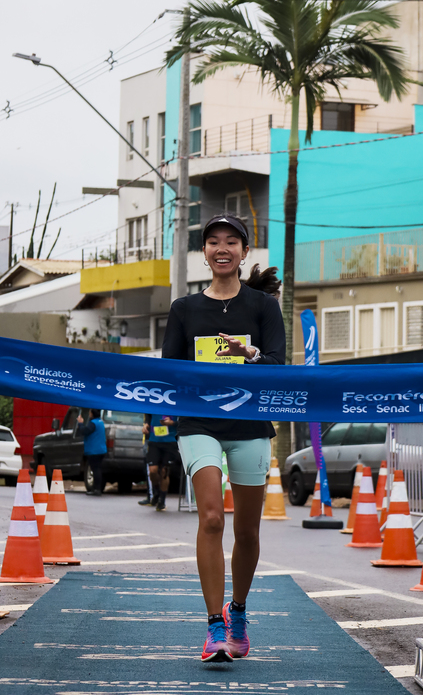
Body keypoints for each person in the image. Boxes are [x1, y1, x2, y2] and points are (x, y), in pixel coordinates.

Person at [162, 214, 285, 663]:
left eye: (231, 241)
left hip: (249, 426)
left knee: (247, 530)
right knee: (212, 517)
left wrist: (247, 354)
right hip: (199, 425)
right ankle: (215, 626)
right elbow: (169, 374)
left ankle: (238, 611)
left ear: (244, 251)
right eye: (213, 242)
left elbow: (278, 367)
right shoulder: (184, 309)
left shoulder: (262, 306)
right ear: (204, 253)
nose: (222, 248)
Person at [141, 413, 179, 511]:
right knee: (153, 471)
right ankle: (156, 492)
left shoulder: (176, 402)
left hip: (170, 442)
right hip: (154, 441)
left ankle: (162, 501)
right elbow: (148, 416)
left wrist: (172, 423)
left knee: (164, 472)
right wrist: (145, 424)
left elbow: (184, 423)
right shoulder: (155, 400)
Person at [76, 409, 107, 496]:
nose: (89, 414)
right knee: (97, 469)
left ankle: (97, 489)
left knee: (95, 469)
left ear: (93, 413)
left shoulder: (93, 423)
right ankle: (96, 488)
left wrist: (80, 423)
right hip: (101, 449)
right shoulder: (100, 422)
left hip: (94, 450)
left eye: (90, 413)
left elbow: (84, 431)